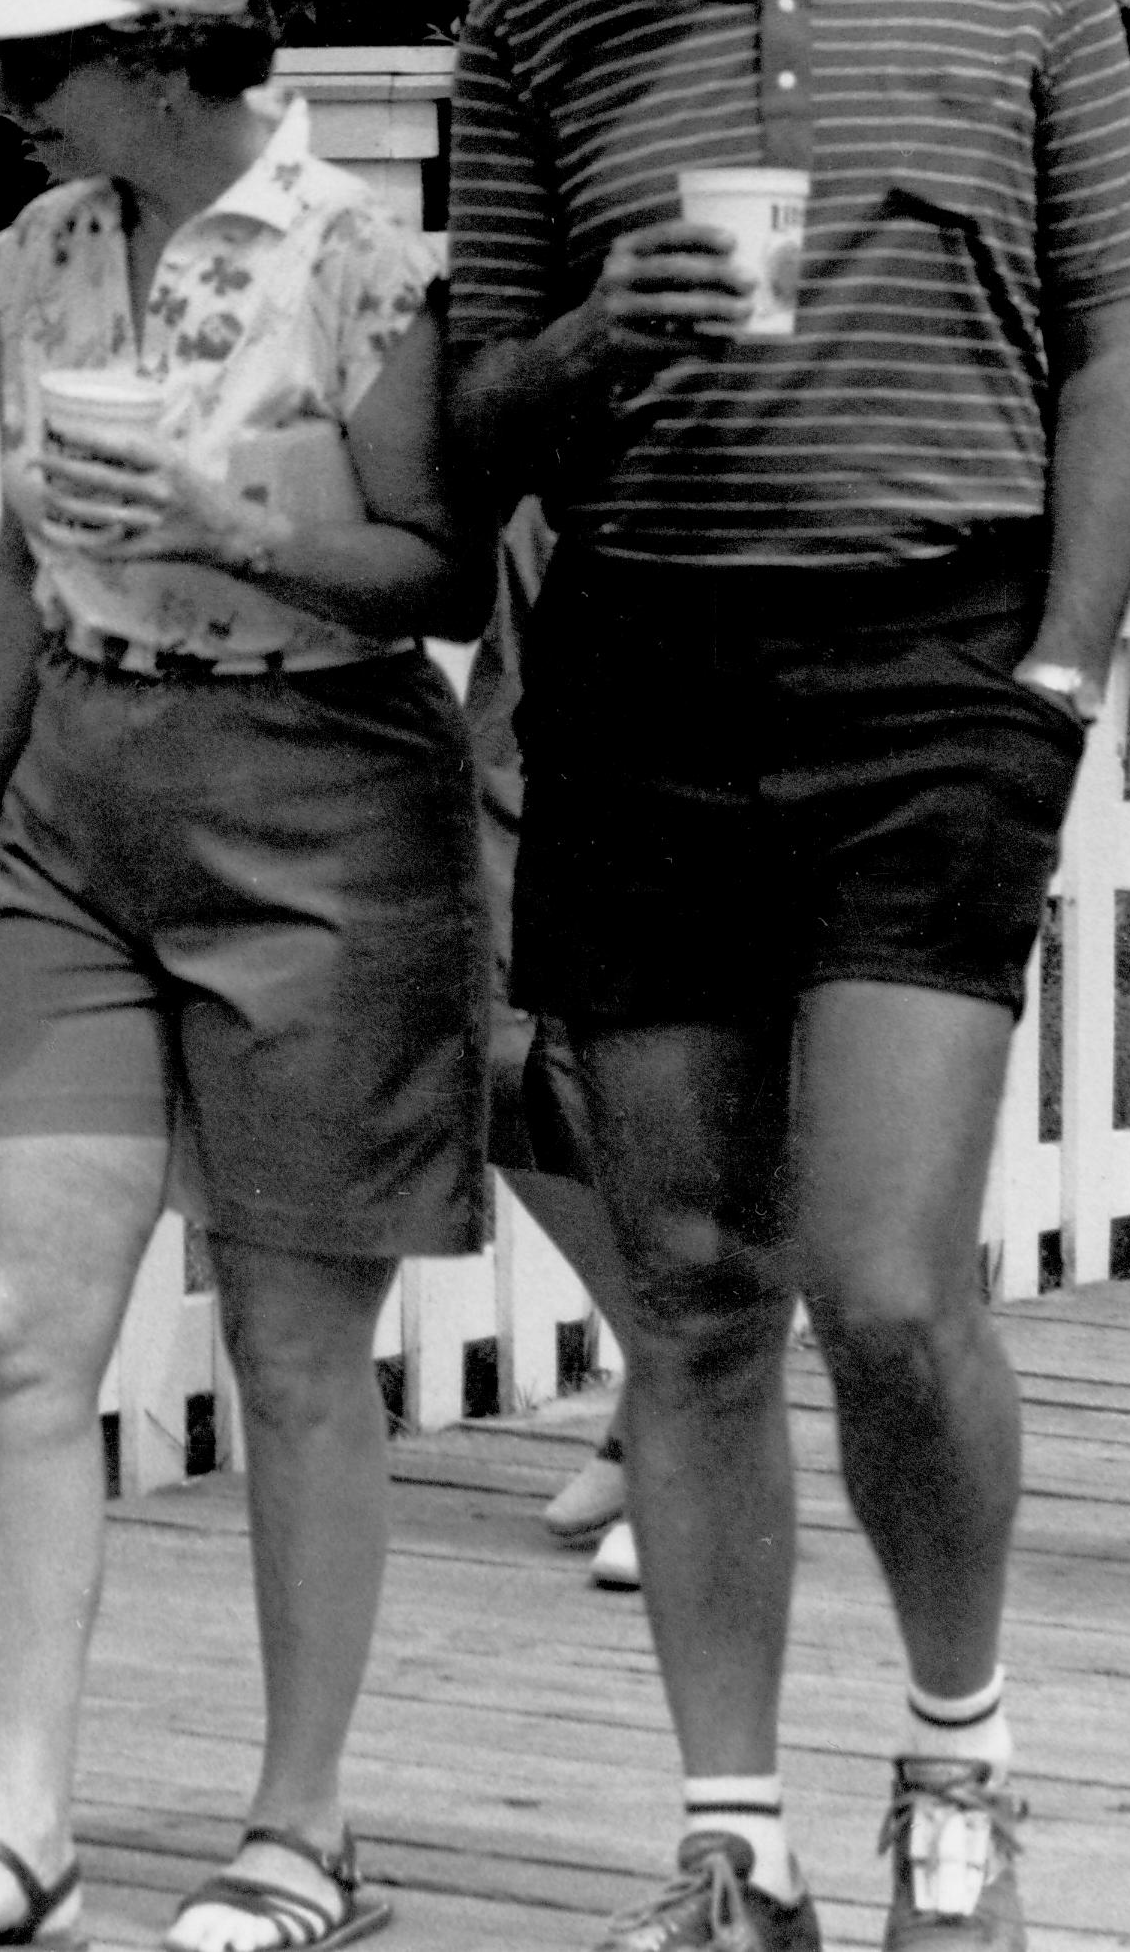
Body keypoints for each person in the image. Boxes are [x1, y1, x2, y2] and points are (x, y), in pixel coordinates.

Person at [446, 0, 1130, 1952]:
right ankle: (731, 1841)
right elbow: (467, 416)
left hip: (931, 664)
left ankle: (960, 1769)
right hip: (648, 670)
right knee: (683, 1288)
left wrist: (1060, 669)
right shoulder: (539, 8)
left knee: (882, 1276)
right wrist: (584, 347)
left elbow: (1116, 342)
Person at [0, 0, 487, 1952]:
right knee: (22, 1321)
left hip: (317, 802)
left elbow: (438, 573)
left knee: (300, 1345)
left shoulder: (362, 260)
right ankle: (21, 1829)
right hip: (74, 808)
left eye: (39, 56)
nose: (6, 100)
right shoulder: (45, 248)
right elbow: (28, 554)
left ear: (161, 48)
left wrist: (239, 517)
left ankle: (298, 1833)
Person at [459, 505, 656, 1596]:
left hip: (685, 740)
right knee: (497, 1062)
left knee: (653, 1090)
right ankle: (673, 1379)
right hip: (523, 726)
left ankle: (679, 1432)